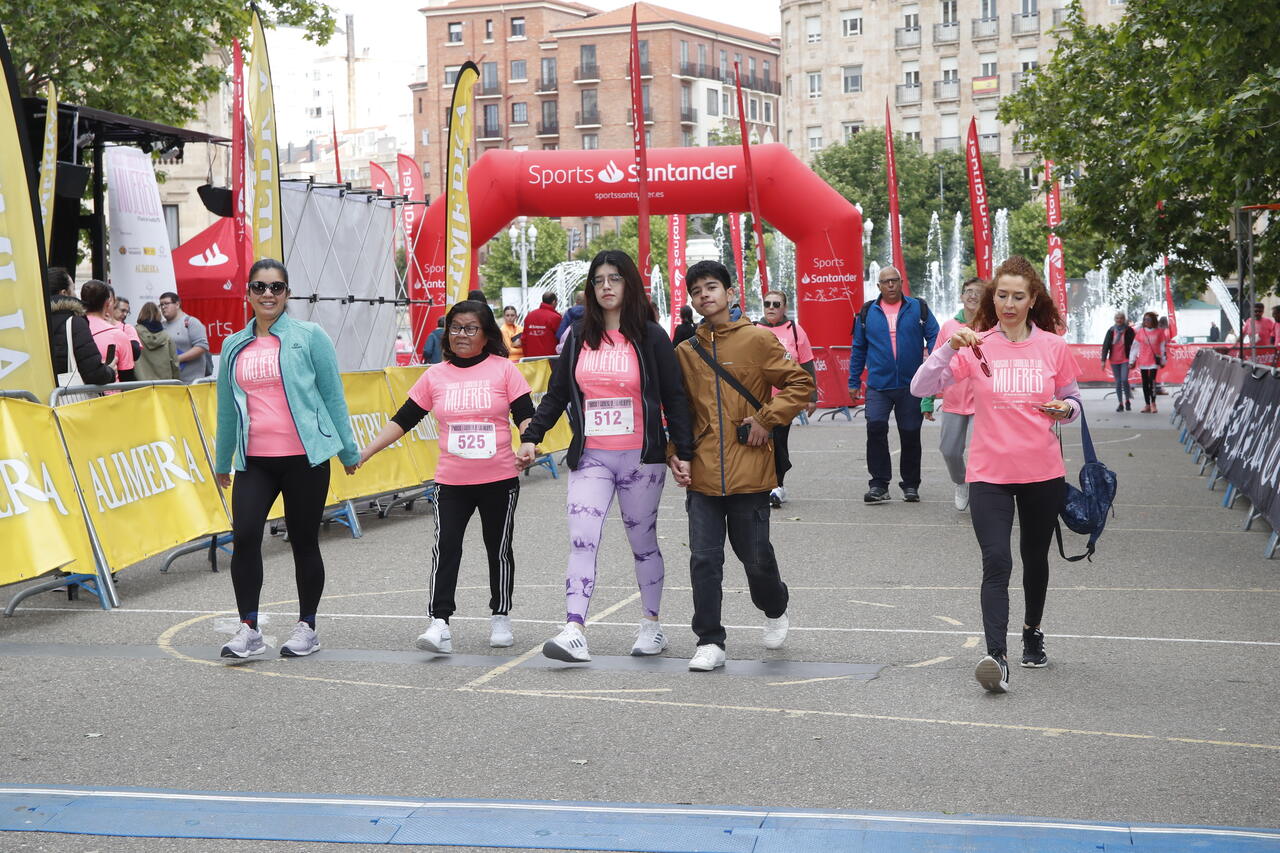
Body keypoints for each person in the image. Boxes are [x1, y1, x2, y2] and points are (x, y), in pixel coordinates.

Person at [911, 255, 1082, 694]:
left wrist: (1066, 409)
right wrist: (949, 347)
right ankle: (996, 658)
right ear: (992, 297)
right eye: (1001, 295)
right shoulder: (975, 344)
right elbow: (921, 387)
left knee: (1035, 559)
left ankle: (1032, 631)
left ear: (1033, 299)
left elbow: (1073, 401)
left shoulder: (1052, 346)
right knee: (996, 562)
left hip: (1043, 472)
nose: (1008, 303)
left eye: (1017, 296)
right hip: (988, 473)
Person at [518, 250, 694, 663]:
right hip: (592, 458)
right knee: (582, 540)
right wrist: (533, 435)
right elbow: (559, 393)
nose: (606, 287)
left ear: (629, 283)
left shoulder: (651, 336)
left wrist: (682, 450)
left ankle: (652, 625)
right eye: (598, 280)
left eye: (614, 278)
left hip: (642, 459)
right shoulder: (579, 335)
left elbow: (675, 398)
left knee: (643, 544)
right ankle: (573, 628)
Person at [360, 300, 533, 653]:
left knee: (498, 548)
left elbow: (526, 415)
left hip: (498, 477)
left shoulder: (504, 370)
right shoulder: (435, 376)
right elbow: (403, 419)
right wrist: (366, 452)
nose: (461, 335)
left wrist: (529, 443)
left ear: (486, 335)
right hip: (451, 481)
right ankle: (440, 621)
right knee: (446, 548)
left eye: (470, 328)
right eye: (455, 328)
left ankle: (500, 614)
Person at [213, 259, 361, 659]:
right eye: (259, 287)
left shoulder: (309, 336)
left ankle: (307, 627)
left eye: (276, 287)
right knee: (244, 537)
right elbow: (227, 407)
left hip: (305, 460)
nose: (268, 295)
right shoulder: (232, 345)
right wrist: (221, 459)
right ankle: (249, 628)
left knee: (303, 540)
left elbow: (333, 396)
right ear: (247, 293)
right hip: (254, 461)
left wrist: (348, 450)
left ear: (287, 294)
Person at [672, 260, 813, 671]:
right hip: (701, 471)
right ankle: (709, 641)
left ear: (730, 293)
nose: (704, 295)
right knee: (703, 558)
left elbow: (801, 383)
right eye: (696, 290)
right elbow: (675, 410)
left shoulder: (756, 340)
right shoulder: (685, 351)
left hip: (749, 470)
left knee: (755, 558)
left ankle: (775, 606)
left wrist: (766, 419)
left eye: (712, 287)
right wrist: (673, 453)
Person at [848, 265, 940, 503]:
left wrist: (932, 361)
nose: (890, 285)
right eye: (885, 282)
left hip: (911, 385)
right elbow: (858, 348)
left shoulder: (917, 307)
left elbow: (935, 336)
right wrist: (854, 380)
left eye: (894, 281)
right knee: (875, 427)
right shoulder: (868, 312)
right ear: (878, 286)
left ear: (901, 283)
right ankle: (879, 484)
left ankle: (910, 485)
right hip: (879, 385)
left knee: (910, 433)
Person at [757, 290, 817, 507]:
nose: (771, 307)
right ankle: (761, 484)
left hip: (786, 399)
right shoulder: (753, 329)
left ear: (784, 307)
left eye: (776, 304)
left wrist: (811, 396)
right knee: (761, 442)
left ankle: (777, 485)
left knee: (778, 441)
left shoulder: (795, 331)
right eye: (767, 303)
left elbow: (807, 363)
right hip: (758, 398)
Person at [929, 277, 984, 511]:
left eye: (978, 292)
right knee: (950, 450)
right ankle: (960, 482)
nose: (972, 296)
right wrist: (926, 399)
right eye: (968, 291)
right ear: (961, 296)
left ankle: (985, 496)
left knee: (980, 452)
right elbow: (934, 363)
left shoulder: (992, 325)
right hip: (953, 400)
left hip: (983, 401)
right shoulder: (949, 327)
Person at [46, 268, 116, 387]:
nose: (76, 294)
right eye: (73, 289)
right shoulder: (75, 323)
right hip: (68, 399)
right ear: (64, 293)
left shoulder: (31, 322)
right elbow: (94, 373)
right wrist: (110, 371)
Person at [80, 281, 136, 382]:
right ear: (108, 303)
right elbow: (127, 379)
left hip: (77, 395)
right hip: (111, 396)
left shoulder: (72, 328)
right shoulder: (118, 335)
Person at [158, 292, 211, 384]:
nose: (163, 307)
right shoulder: (161, 326)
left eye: (166, 303)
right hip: (170, 383)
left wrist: (177, 359)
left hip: (193, 383)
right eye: (161, 305)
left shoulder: (191, 322)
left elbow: (202, 347)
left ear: (177, 304)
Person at [133, 302, 180, 381]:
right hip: (164, 386)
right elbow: (175, 364)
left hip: (140, 386)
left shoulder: (133, 333)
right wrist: (176, 382)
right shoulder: (167, 337)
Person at [1130, 311, 1165, 413]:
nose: (1146, 321)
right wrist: (1132, 360)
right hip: (1143, 360)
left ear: (1153, 320)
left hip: (1154, 360)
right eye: (1144, 319)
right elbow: (1135, 347)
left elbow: (1162, 347)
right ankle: (1147, 404)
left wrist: (1163, 360)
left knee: (1152, 381)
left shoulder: (1159, 332)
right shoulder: (1141, 332)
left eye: (1148, 319)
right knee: (1145, 383)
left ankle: (1153, 403)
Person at [1100, 311, 1135, 413]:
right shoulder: (1111, 331)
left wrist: (1134, 358)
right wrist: (1103, 360)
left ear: (1124, 319)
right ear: (1115, 320)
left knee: (1124, 379)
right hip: (1114, 360)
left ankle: (1127, 400)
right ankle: (1120, 403)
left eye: (1121, 318)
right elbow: (1106, 345)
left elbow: (1134, 345)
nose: (1119, 320)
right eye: (1117, 318)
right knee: (1118, 382)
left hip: (1125, 359)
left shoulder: (1129, 331)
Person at [522, 291, 562, 357]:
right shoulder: (555, 317)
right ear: (554, 302)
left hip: (531, 359)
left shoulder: (530, 316)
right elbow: (561, 338)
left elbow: (524, 339)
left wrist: (526, 356)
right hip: (550, 359)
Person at [112, 296, 143, 363]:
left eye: (127, 312)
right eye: (122, 310)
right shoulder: (101, 325)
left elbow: (136, 353)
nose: (125, 314)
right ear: (112, 308)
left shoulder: (127, 328)